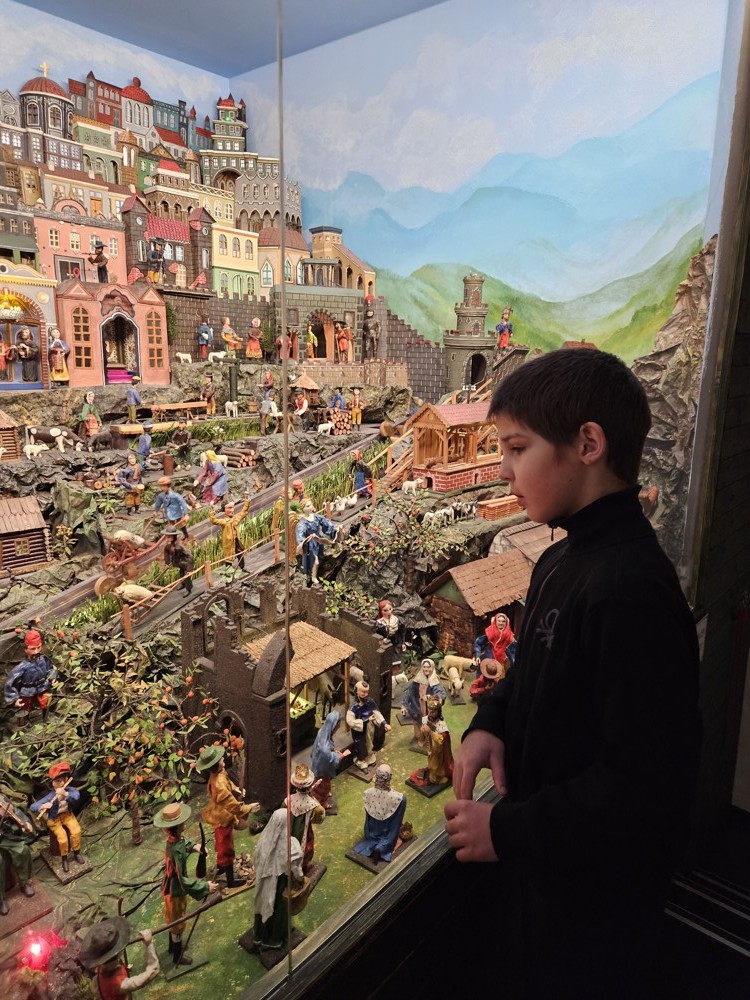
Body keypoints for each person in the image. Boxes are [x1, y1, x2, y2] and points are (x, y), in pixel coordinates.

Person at [444, 348, 702, 1000]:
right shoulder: (562, 561)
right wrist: (492, 720)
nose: (503, 471)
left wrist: (506, 830)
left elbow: (642, 792)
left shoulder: (631, 592)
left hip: (597, 911)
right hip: (545, 885)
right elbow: (534, 667)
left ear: (588, 444)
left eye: (517, 448)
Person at [154, 801, 218, 967]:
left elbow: (183, 843)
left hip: (174, 888)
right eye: (181, 823)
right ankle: (177, 956)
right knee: (177, 922)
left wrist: (195, 846)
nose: (184, 824)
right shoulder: (173, 850)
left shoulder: (175, 841)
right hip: (175, 890)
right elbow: (181, 880)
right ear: (175, 827)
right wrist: (205, 886)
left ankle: (173, 947)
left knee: (175, 920)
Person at [196, 745, 260, 888]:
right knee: (226, 848)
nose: (223, 759)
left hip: (222, 815)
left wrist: (235, 789)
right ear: (215, 764)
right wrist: (248, 808)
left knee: (222, 844)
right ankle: (230, 880)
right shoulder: (218, 784)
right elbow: (232, 805)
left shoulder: (219, 773)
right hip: (222, 818)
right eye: (220, 759)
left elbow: (227, 782)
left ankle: (221, 866)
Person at [251, 807, 308, 951]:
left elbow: (256, 860)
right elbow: (295, 867)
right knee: (278, 911)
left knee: (263, 906)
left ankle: (260, 936)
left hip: (264, 883)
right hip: (280, 883)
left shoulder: (263, 842)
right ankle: (274, 939)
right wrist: (300, 878)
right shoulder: (291, 845)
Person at [79, 917, 159, 999]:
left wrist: (124, 969)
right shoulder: (121, 985)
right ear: (120, 952)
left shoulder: (99, 969)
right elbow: (153, 970)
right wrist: (149, 944)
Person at [30, 761, 85, 873]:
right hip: (55, 820)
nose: (62, 783)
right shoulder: (51, 796)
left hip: (68, 816)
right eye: (58, 781)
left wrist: (65, 794)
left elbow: (76, 796)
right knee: (62, 838)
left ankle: (76, 853)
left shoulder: (70, 790)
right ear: (53, 782)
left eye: (64, 779)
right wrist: (43, 806)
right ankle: (64, 859)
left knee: (76, 831)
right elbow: (33, 806)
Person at [354, 763, 407, 863]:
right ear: (389, 777)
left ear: (376, 776)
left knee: (372, 831)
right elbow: (396, 823)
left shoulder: (367, 793)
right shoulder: (399, 799)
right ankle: (382, 848)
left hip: (371, 831)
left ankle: (372, 842)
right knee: (393, 830)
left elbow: (368, 818)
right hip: (387, 829)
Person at [4, 628, 55, 725]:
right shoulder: (22, 667)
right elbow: (10, 681)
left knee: (46, 703)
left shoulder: (44, 660)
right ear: (26, 649)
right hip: (27, 691)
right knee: (25, 708)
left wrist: (52, 678)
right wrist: (14, 698)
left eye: (38, 648)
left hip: (43, 687)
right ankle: (25, 723)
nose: (36, 652)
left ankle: (46, 719)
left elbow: (51, 669)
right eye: (32, 649)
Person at [0, 793, 35, 916]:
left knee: (23, 850)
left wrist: (24, 821)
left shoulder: (1, 798)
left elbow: (15, 811)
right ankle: (1, 899)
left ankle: (24, 883)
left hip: (6, 837)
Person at [286, 764, 325, 874]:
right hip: (304, 831)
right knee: (306, 846)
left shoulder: (288, 799)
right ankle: (302, 866)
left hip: (289, 829)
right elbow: (320, 817)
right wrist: (313, 799)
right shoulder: (313, 805)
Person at [408, 694, 453, 787]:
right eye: (429, 710)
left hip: (438, 750)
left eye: (433, 711)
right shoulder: (427, 719)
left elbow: (441, 740)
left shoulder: (441, 725)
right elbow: (422, 734)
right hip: (430, 746)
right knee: (430, 760)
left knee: (436, 763)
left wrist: (431, 732)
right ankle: (433, 771)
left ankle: (437, 776)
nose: (430, 713)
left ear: (438, 711)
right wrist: (423, 730)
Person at [346, 680, 390, 772]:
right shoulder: (353, 707)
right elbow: (350, 721)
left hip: (370, 728)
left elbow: (376, 713)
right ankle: (361, 762)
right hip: (359, 731)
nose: (365, 694)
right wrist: (365, 720)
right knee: (361, 746)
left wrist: (384, 723)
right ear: (357, 691)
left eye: (367, 692)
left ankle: (370, 758)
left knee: (370, 743)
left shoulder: (370, 702)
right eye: (363, 692)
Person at [310, 710, 350, 809]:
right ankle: (321, 801)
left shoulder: (323, 731)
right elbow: (328, 757)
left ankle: (322, 795)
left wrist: (333, 750)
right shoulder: (324, 746)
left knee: (321, 783)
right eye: (337, 727)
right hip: (321, 768)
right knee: (323, 786)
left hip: (318, 763)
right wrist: (342, 755)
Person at [401, 658, 447, 743]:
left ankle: (429, 739)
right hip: (418, 707)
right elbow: (410, 692)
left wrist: (430, 697)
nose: (426, 669)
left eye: (428, 667)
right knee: (418, 729)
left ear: (432, 668)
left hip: (429, 709)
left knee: (431, 728)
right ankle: (420, 738)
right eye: (424, 667)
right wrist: (404, 704)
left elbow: (442, 695)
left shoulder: (435, 682)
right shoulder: (417, 680)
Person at [294, 499, 338, 586]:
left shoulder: (316, 517)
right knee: (315, 561)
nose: (310, 507)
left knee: (320, 558)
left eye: (310, 505)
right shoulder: (302, 524)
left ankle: (315, 572)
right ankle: (313, 577)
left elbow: (326, 523)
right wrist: (304, 541)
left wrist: (334, 528)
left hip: (318, 541)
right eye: (307, 506)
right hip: (310, 544)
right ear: (303, 509)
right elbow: (300, 535)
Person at [208, 493, 251, 569]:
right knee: (228, 557)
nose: (232, 510)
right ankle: (228, 570)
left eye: (232, 508)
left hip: (236, 541)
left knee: (240, 553)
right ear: (224, 510)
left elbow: (243, 512)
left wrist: (247, 501)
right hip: (229, 543)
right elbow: (213, 520)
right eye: (229, 508)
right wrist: (212, 509)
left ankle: (242, 567)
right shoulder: (224, 521)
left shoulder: (235, 518)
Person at [162, 527, 194, 594]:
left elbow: (190, 556)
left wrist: (189, 569)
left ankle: (189, 589)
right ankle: (183, 584)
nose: (167, 538)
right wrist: (167, 563)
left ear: (174, 536)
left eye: (169, 537)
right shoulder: (169, 546)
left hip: (185, 563)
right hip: (179, 563)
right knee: (181, 574)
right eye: (167, 536)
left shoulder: (179, 546)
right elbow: (166, 552)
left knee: (186, 577)